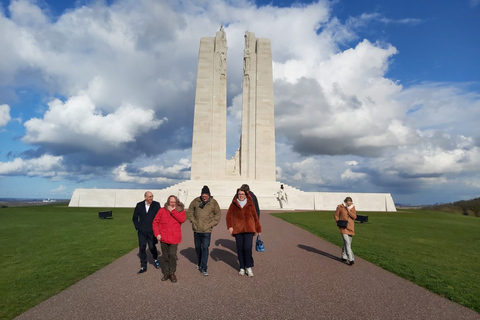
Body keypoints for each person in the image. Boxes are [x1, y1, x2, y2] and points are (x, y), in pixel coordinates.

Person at [226, 188, 262, 277]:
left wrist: (258, 229)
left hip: (249, 228)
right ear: (237, 195)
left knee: (247, 247)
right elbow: (229, 216)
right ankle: (242, 267)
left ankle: (248, 267)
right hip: (238, 229)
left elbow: (255, 216)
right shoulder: (234, 204)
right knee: (240, 248)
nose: (241, 195)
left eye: (242, 194)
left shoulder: (250, 203)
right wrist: (230, 227)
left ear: (245, 195)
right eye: (239, 194)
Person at [188, 185, 221, 276]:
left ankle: (204, 267)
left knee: (205, 247)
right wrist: (193, 221)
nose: (204, 198)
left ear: (209, 195)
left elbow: (217, 215)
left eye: (206, 196)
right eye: (203, 196)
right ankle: (199, 261)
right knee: (198, 247)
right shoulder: (196, 201)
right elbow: (190, 211)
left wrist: (210, 225)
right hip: (197, 228)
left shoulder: (213, 202)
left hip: (207, 230)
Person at [152, 195, 186, 283]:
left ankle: (172, 272)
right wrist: (157, 234)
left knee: (173, 255)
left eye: (174, 202)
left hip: (174, 237)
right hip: (164, 237)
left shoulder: (179, 210)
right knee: (165, 256)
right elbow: (155, 222)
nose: (172, 203)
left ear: (176, 202)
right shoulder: (162, 210)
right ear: (168, 202)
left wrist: (173, 211)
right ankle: (166, 272)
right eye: (171, 202)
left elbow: (182, 219)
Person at [132, 191, 161, 274]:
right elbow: (134, 218)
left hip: (152, 231)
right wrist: (138, 227)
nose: (151, 198)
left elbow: (159, 217)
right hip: (142, 231)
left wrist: (158, 229)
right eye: (149, 197)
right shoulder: (139, 205)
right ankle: (143, 266)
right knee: (142, 247)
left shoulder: (156, 204)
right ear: (145, 197)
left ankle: (155, 259)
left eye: (152, 196)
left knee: (152, 247)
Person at [334, 196, 357, 265]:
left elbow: (354, 217)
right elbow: (335, 215)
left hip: (350, 227)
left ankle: (344, 256)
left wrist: (349, 211)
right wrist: (338, 222)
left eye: (350, 203)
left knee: (346, 243)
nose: (349, 204)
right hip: (343, 227)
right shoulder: (340, 207)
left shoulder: (353, 208)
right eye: (348, 203)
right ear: (345, 202)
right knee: (347, 243)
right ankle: (351, 259)